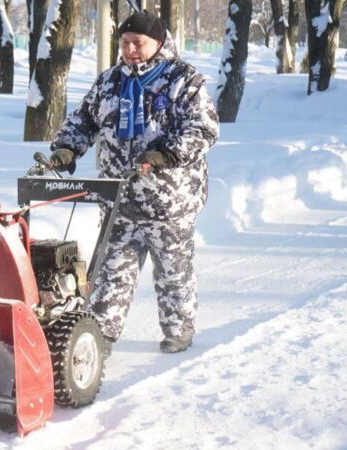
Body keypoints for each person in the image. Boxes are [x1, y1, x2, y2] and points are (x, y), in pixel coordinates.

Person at [48, 11, 219, 353]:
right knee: (111, 273)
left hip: (169, 201)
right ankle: (101, 335)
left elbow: (204, 129)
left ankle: (177, 330)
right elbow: (83, 121)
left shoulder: (183, 80)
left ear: (157, 43)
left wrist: (165, 154)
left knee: (173, 273)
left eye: (137, 43)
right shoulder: (111, 81)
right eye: (124, 43)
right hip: (118, 199)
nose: (130, 50)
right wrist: (67, 148)